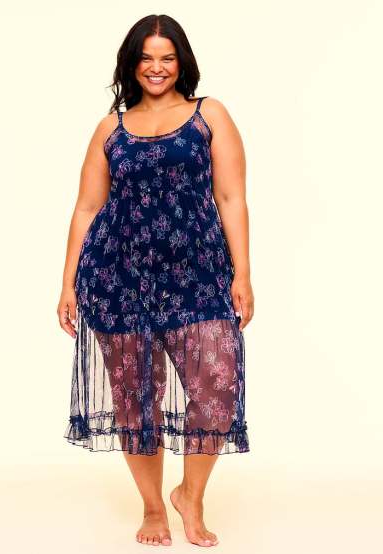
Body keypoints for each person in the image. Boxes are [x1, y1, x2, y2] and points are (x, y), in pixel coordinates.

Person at [57, 13, 254, 548]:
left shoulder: (209, 115)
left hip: (198, 276)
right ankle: (152, 508)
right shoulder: (111, 128)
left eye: (167, 57)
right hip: (117, 278)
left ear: (182, 62)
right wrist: (68, 283)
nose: (157, 67)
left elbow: (231, 197)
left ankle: (190, 495)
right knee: (136, 401)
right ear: (132, 64)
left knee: (216, 388)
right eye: (146, 58)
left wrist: (242, 273)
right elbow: (87, 207)